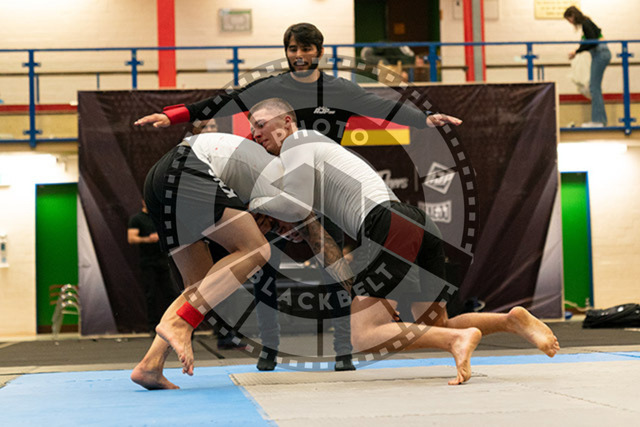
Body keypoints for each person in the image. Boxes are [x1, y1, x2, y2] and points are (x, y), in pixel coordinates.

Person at [134, 22, 461, 370]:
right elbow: (224, 102)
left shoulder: (336, 92)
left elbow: (380, 106)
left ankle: (343, 348)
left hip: (314, 191)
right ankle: (269, 347)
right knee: (258, 257)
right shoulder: (273, 95)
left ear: (319, 51)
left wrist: (424, 119)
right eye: (293, 49)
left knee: (236, 275)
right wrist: (175, 115)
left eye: (306, 49)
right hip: (271, 183)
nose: (299, 55)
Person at [247, 98, 561, 385]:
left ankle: (457, 340)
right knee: (436, 322)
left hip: (387, 223)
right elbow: (304, 213)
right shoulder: (309, 152)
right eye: (252, 129)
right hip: (415, 222)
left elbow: (294, 205)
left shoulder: (298, 141)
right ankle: (510, 321)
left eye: (260, 124)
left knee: (363, 335)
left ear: (287, 121)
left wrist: (253, 204)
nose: (255, 133)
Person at [131, 132, 351, 390]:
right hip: (187, 166)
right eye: (286, 229)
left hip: (161, 180)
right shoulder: (290, 192)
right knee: (258, 250)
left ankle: (151, 365)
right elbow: (316, 237)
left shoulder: (258, 189)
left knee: (202, 286)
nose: (280, 232)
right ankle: (179, 322)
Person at [127, 200, 180, 331]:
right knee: (151, 294)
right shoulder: (137, 219)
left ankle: (173, 323)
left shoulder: (160, 217)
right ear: (143, 202)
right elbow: (131, 238)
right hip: (148, 262)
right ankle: (153, 326)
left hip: (163, 261)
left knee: (170, 293)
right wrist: (148, 239)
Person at [564, 6, 611, 127]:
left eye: (569, 20)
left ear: (572, 16)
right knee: (594, 87)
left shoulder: (585, 24)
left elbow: (592, 42)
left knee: (594, 88)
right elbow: (592, 38)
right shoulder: (587, 23)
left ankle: (598, 121)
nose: (570, 23)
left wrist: (577, 51)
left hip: (600, 53)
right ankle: (600, 119)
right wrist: (577, 50)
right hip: (600, 53)